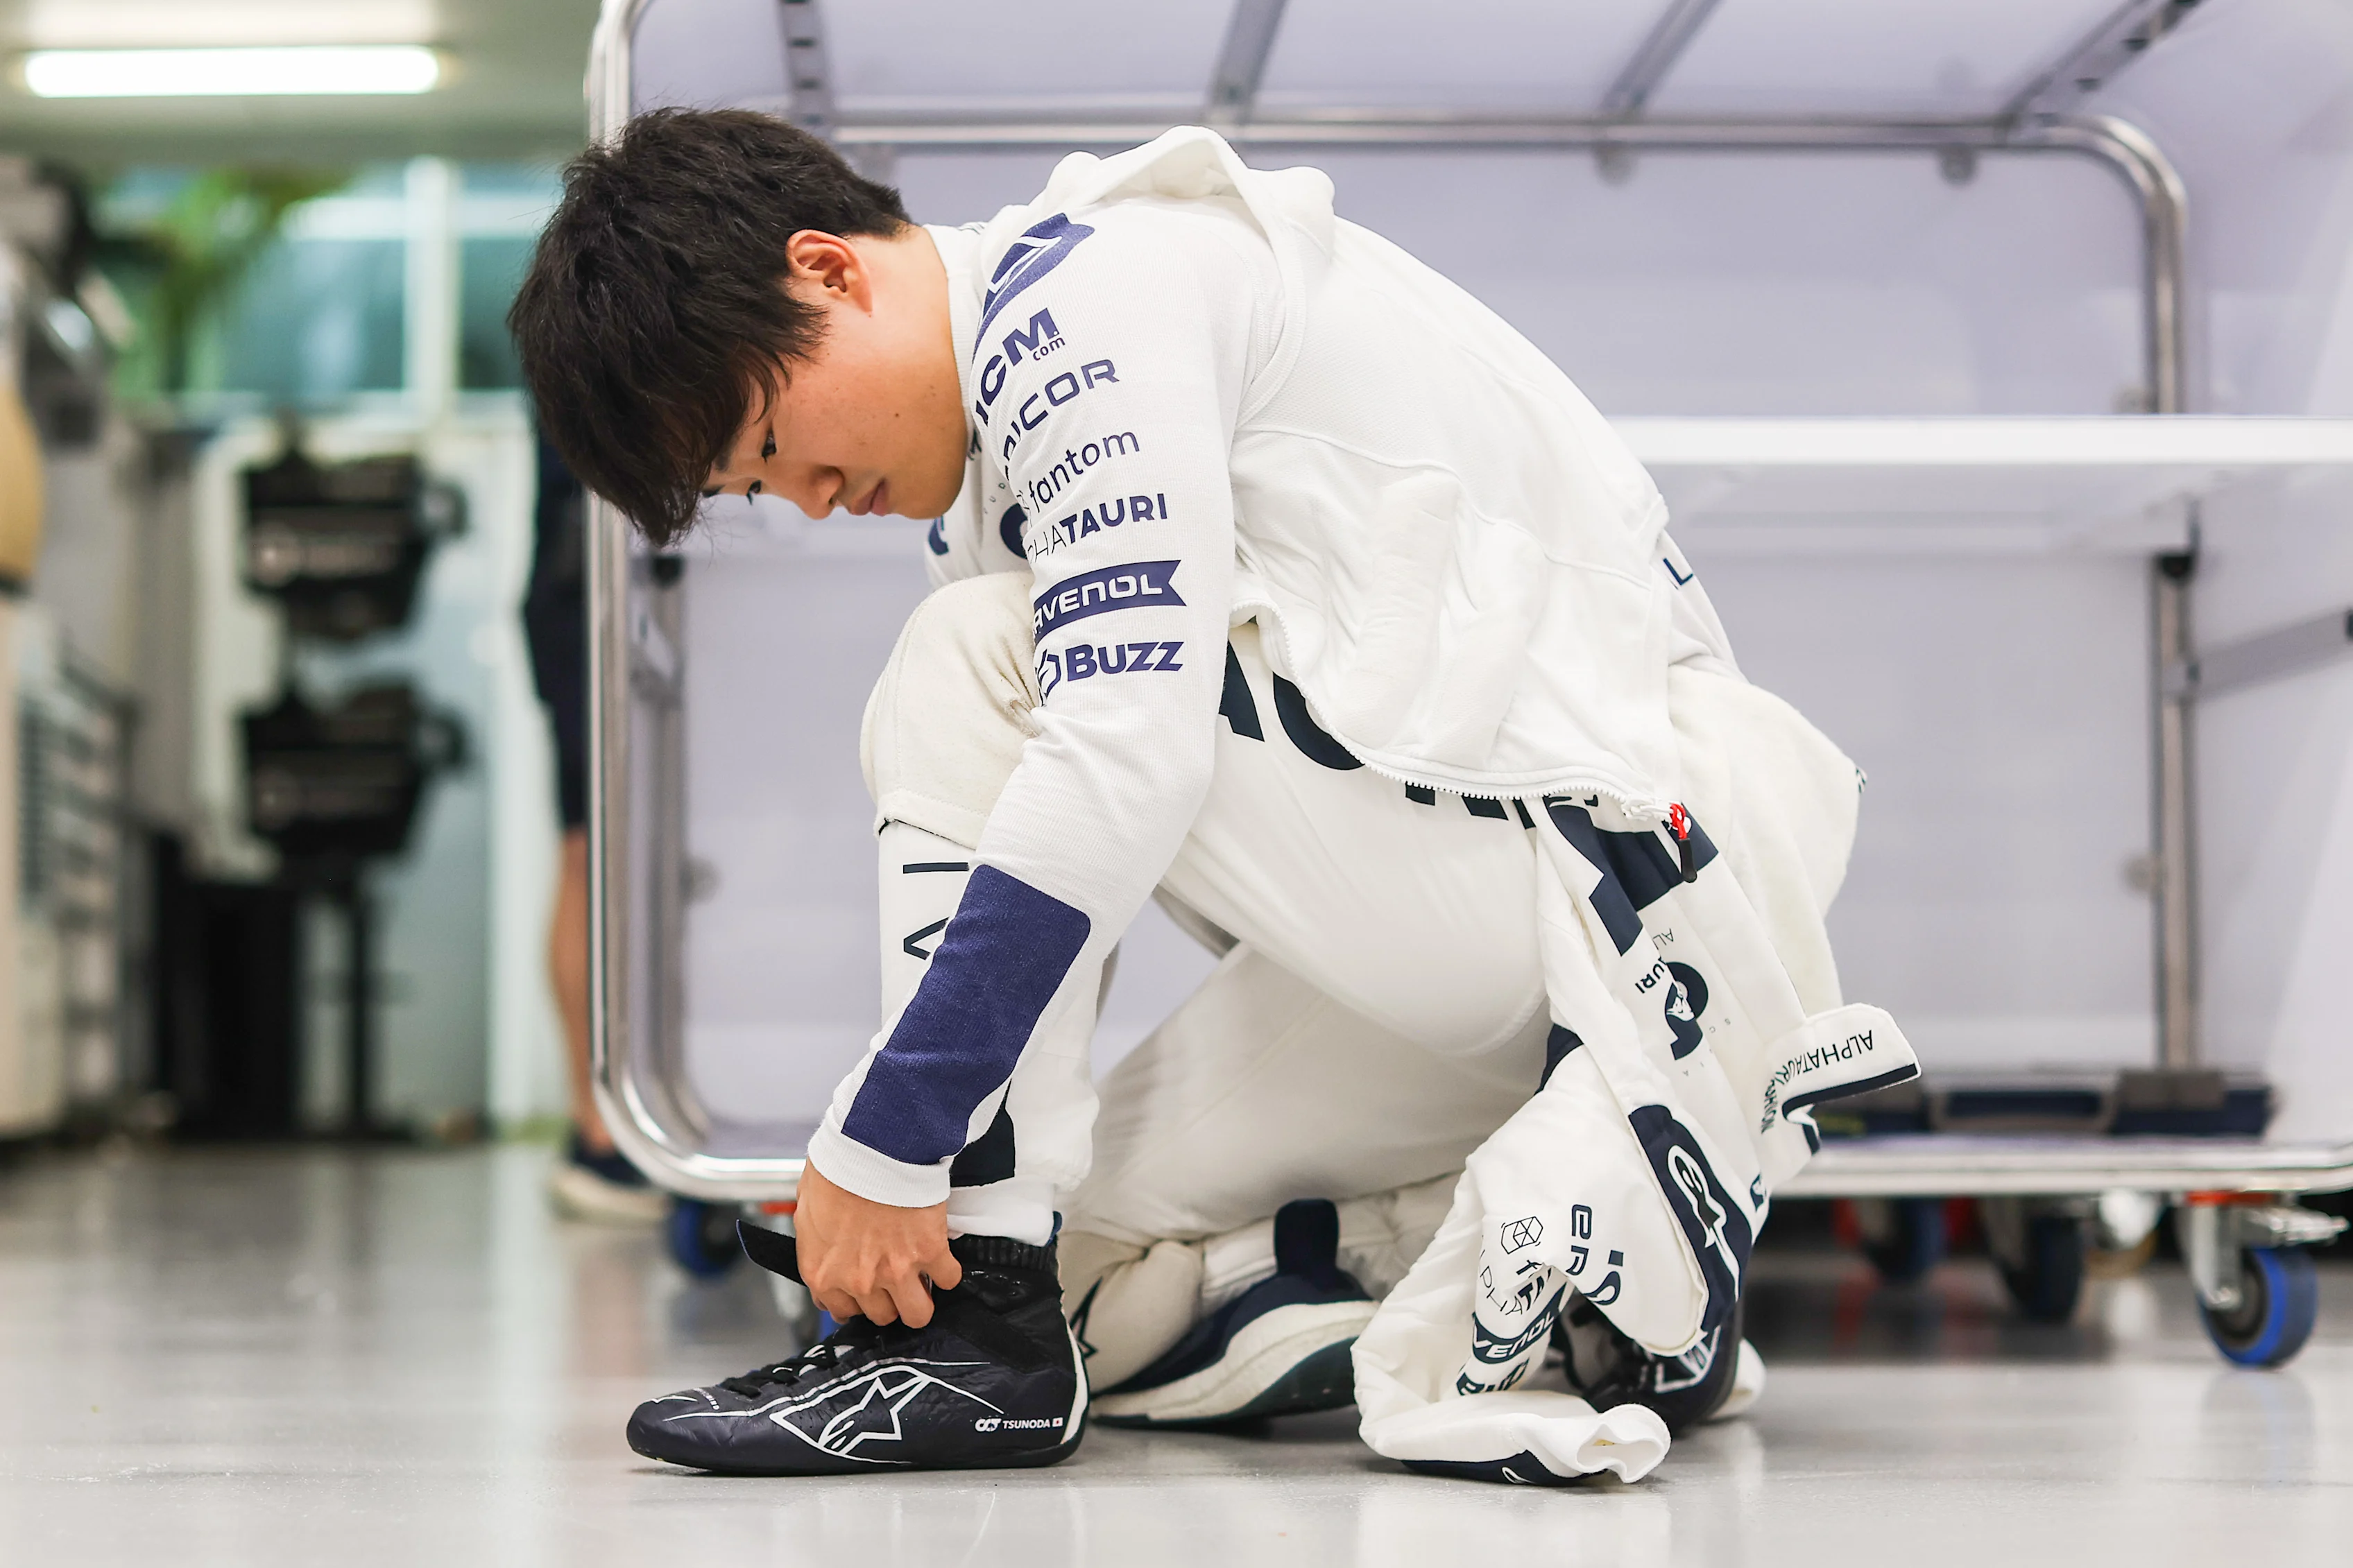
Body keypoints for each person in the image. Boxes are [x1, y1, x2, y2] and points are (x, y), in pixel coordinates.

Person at [510, 110, 1914, 1483]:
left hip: (1593, 895)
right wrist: (918, 1180)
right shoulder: (996, 467)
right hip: (1474, 955)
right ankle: (1529, 1259)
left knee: (976, 662)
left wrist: (888, 1136)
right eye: (755, 489)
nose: (807, 496)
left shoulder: (1079, 297)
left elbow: (1131, 753)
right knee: (1084, 1276)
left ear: (827, 268)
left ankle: (975, 1330)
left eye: (768, 438)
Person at [523, 436, 665, 1225]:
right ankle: (599, 1133)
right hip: (593, 571)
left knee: (628, 850)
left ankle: (631, 1120)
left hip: (618, 560)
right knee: (590, 848)